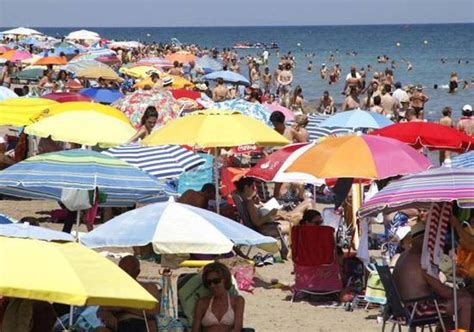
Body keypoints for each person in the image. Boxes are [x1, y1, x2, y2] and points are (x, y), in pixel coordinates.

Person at [393, 222, 472, 331]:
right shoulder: (421, 261)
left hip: (402, 308)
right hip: (418, 310)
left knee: (450, 305)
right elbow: (444, 291)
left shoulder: (403, 256)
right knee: (465, 301)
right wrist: (462, 293)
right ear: (424, 240)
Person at [97, 256, 160, 332]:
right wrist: (107, 315)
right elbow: (101, 310)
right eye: (120, 270)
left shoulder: (148, 287)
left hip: (142, 325)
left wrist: (123, 305)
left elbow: (154, 311)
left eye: (126, 271)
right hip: (118, 326)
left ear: (137, 272)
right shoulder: (113, 289)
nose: (122, 274)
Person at [192, 262, 244, 332]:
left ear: (225, 280)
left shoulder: (237, 301)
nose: (212, 285)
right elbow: (195, 330)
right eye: (209, 282)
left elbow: (237, 329)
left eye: (216, 281)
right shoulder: (202, 303)